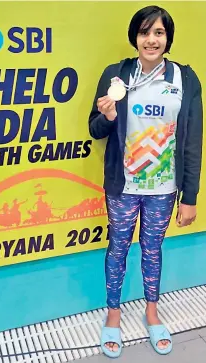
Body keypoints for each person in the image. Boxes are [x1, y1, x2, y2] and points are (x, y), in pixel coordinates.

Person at [88, 5, 203, 358]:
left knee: (152, 250)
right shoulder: (117, 75)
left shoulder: (185, 78)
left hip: (163, 189)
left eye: (158, 33)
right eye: (144, 32)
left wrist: (190, 195)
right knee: (118, 249)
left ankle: (152, 312)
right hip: (123, 187)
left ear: (167, 39)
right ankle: (113, 313)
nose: (151, 40)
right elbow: (95, 130)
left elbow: (192, 140)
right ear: (134, 37)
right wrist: (107, 116)